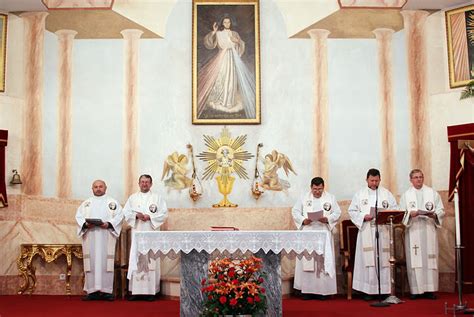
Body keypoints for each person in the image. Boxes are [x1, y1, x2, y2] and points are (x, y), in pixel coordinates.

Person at [348, 168, 398, 300]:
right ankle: (368, 291)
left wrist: (386, 215)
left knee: (383, 260)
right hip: (366, 230)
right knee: (368, 260)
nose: (374, 183)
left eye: (377, 180)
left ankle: (385, 290)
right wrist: (363, 216)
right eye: (372, 180)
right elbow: (352, 211)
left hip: (383, 231)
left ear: (380, 179)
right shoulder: (360, 194)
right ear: (367, 180)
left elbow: (395, 210)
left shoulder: (386, 194)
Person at [197, 15, 256, 119]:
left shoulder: (234, 33)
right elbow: (209, 43)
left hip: (232, 58)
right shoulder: (219, 33)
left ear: (230, 23)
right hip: (222, 58)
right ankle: (221, 99)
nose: (227, 24)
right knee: (222, 77)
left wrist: (237, 41)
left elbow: (241, 45)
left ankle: (229, 101)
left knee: (232, 79)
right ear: (222, 24)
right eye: (225, 22)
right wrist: (214, 32)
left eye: (229, 22)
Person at [292, 177, 341, 300]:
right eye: (315, 189)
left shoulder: (330, 198)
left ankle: (323, 291)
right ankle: (307, 291)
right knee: (308, 261)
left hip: (323, 232)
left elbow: (337, 213)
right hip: (308, 232)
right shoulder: (304, 198)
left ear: (323, 187)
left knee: (322, 261)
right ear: (311, 187)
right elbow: (295, 212)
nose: (317, 191)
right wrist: (303, 220)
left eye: (319, 189)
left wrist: (328, 219)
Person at [400, 169, 445, 300]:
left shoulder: (432, 193)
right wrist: (409, 214)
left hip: (429, 229)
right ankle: (415, 290)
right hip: (414, 230)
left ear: (423, 178)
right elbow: (401, 213)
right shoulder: (406, 195)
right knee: (415, 260)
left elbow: (441, 209)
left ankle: (430, 289)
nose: (418, 179)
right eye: (415, 177)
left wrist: (435, 214)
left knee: (429, 260)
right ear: (411, 180)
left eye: (420, 177)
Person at [75, 180, 123, 301]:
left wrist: (109, 224)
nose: (98, 189)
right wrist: (85, 225)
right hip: (90, 236)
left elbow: (120, 216)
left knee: (105, 263)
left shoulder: (112, 203)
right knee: (91, 263)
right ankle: (91, 291)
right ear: (92, 189)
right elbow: (79, 217)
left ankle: (107, 291)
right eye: (95, 187)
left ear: (105, 188)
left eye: (100, 186)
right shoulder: (86, 203)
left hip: (106, 236)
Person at [125, 174, 168, 301]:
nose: (144, 184)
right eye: (142, 182)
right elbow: (126, 212)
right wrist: (136, 216)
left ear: (151, 184)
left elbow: (164, 214)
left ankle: (151, 291)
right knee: (137, 258)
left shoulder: (157, 198)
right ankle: (135, 291)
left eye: (147, 182)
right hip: (137, 232)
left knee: (151, 259)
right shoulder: (133, 198)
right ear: (139, 183)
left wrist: (150, 217)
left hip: (152, 233)